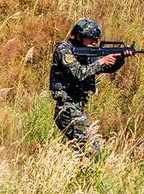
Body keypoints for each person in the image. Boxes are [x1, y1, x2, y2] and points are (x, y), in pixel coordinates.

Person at [49, 18, 133, 157]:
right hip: (67, 108)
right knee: (93, 151)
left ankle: (77, 176)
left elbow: (107, 69)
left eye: (96, 39)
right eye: (90, 38)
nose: (94, 42)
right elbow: (78, 73)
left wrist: (120, 58)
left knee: (83, 153)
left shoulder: (86, 52)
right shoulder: (64, 50)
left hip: (76, 108)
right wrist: (101, 61)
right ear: (79, 36)